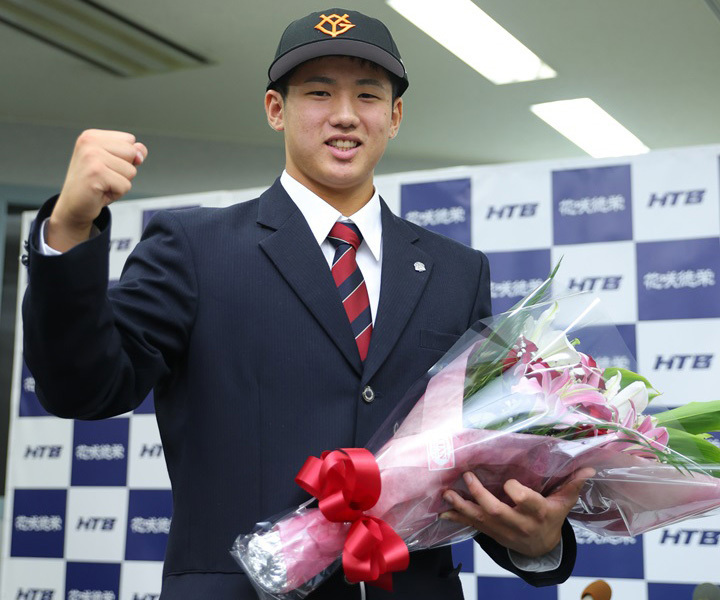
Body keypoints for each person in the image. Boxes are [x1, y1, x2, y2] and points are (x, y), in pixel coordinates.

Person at [22, 8, 591, 599]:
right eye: (318, 93)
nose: (345, 115)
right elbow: (84, 387)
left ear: (394, 117)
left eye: (368, 96)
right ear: (276, 110)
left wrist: (537, 543)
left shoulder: (457, 270)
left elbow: (476, 455)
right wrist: (69, 227)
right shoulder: (195, 247)